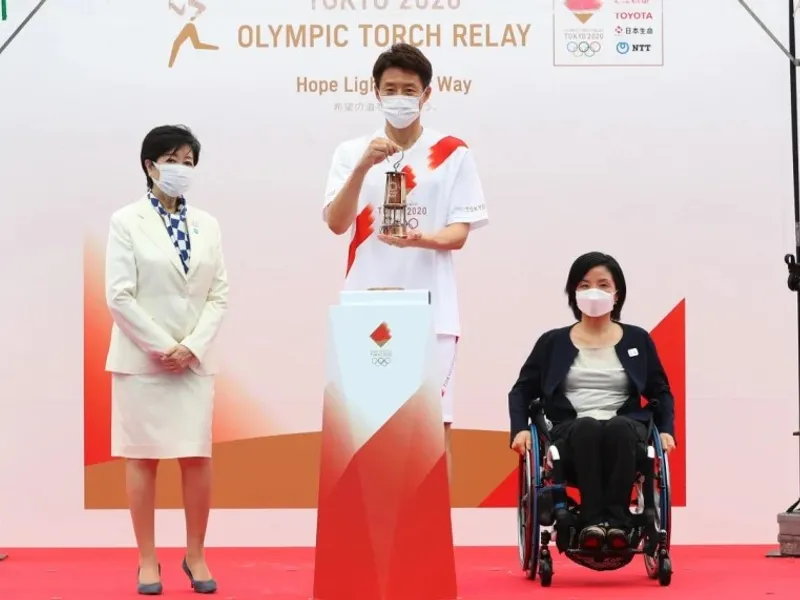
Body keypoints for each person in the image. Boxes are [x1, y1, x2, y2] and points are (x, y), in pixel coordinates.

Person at [322, 43, 489, 477]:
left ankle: (431, 542)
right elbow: (337, 223)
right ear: (375, 92)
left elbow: (459, 233)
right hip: (365, 306)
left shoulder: (452, 153)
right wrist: (362, 168)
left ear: (426, 94)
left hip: (432, 310)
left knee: (434, 431)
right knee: (364, 428)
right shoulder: (350, 152)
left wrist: (421, 239)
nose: (399, 97)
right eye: (390, 88)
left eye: (409, 89)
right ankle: (370, 539)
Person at [105, 125, 228, 595]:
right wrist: (162, 346)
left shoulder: (208, 225)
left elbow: (219, 293)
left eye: (189, 161)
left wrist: (191, 347)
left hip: (194, 361)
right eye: (173, 159)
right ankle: (147, 560)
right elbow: (119, 295)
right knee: (143, 459)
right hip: (142, 361)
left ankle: (195, 555)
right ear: (150, 165)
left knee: (196, 456)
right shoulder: (125, 221)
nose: (182, 169)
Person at [508, 252, 676, 551]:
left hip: (625, 429)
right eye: (584, 285)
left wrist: (666, 430)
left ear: (617, 294)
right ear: (573, 293)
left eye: (602, 284)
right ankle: (591, 522)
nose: (593, 292)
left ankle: (617, 523)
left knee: (618, 428)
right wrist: (519, 429)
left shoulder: (637, 339)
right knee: (587, 427)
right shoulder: (553, 342)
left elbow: (660, 392)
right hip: (570, 428)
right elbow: (521, 391)